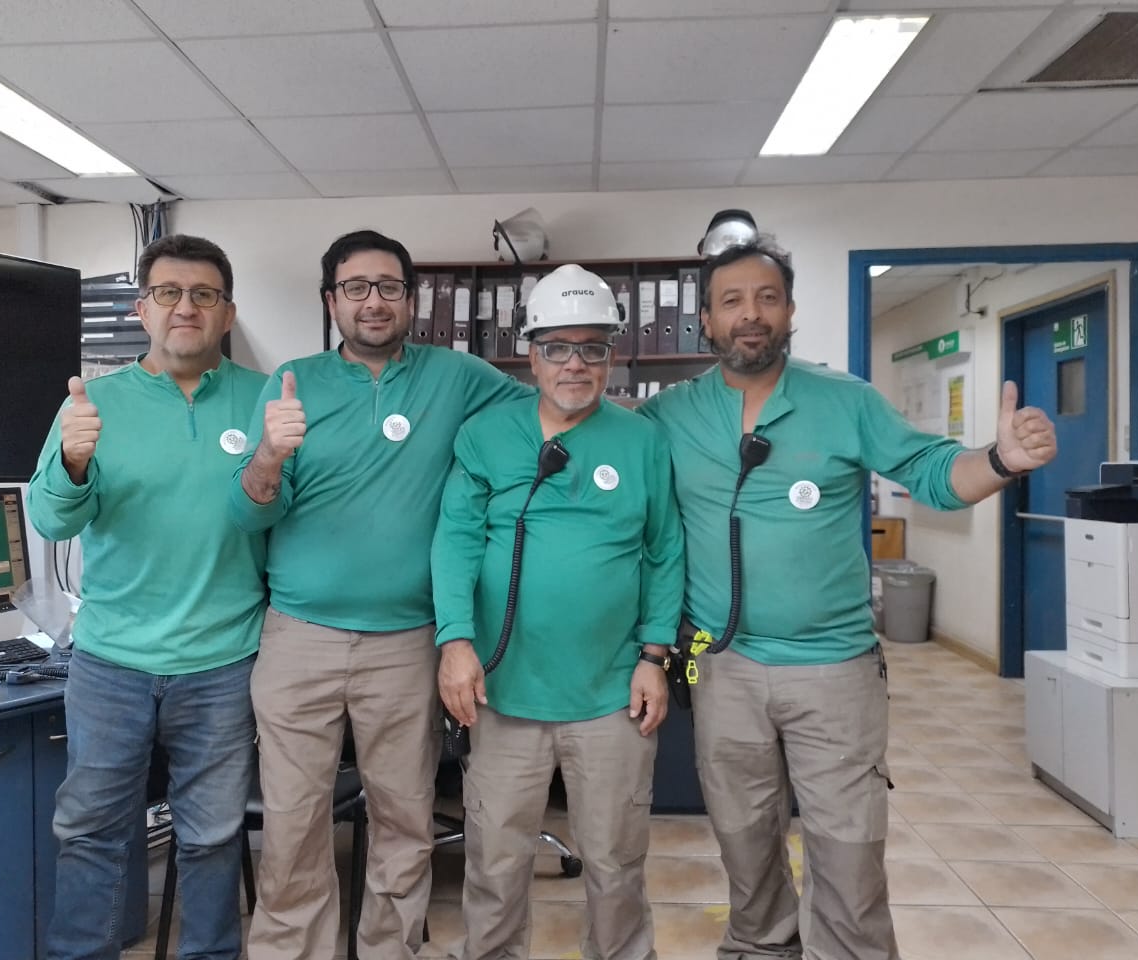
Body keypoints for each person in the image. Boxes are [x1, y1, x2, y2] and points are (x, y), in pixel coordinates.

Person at [639, 235, 1057, 960]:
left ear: (790, 311)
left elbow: (932, 472)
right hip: (722, 667)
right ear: (705, 320)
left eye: (767, 298)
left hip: (833, 670)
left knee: (849, 854)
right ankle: (760, 947)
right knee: (743, 843)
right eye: (731, 301)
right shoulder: (668, 416)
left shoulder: (845, 400)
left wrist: (1000, 460)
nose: (750, 314)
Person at [231, 229, 533, 960]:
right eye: (356, 287)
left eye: (389, 287)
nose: (374, 301)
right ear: (331, 300)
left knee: (404, 824)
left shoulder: (457, 377)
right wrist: (268, 454)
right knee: (294, 826)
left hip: (406, 642)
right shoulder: (292, 382)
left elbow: (549, 411)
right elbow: (247, 513)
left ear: (411, 298)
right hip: (299, 638)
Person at [432, 264, 685, 960]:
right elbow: (455, 541)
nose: (576, 363)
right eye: (558, 348)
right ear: (531, 353)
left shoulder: (642, 441)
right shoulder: (485, 436)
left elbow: (665, 551)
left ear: (612, 355)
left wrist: (654, 656)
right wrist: (455, 641)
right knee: (495, 862)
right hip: (504, 691)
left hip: (611, 694)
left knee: (616, 863)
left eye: (592, 348)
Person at [28, 234, 268, 960]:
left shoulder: (264, 399)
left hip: (224, 662)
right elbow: (51, 519)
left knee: (213, 837)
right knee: (91, 832)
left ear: (227, 313)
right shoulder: (92, 405)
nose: (185, 307)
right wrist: (73, 461)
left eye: (204, 294)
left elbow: (283, 513)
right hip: (111, 665)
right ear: (142, 309)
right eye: (169, 293)